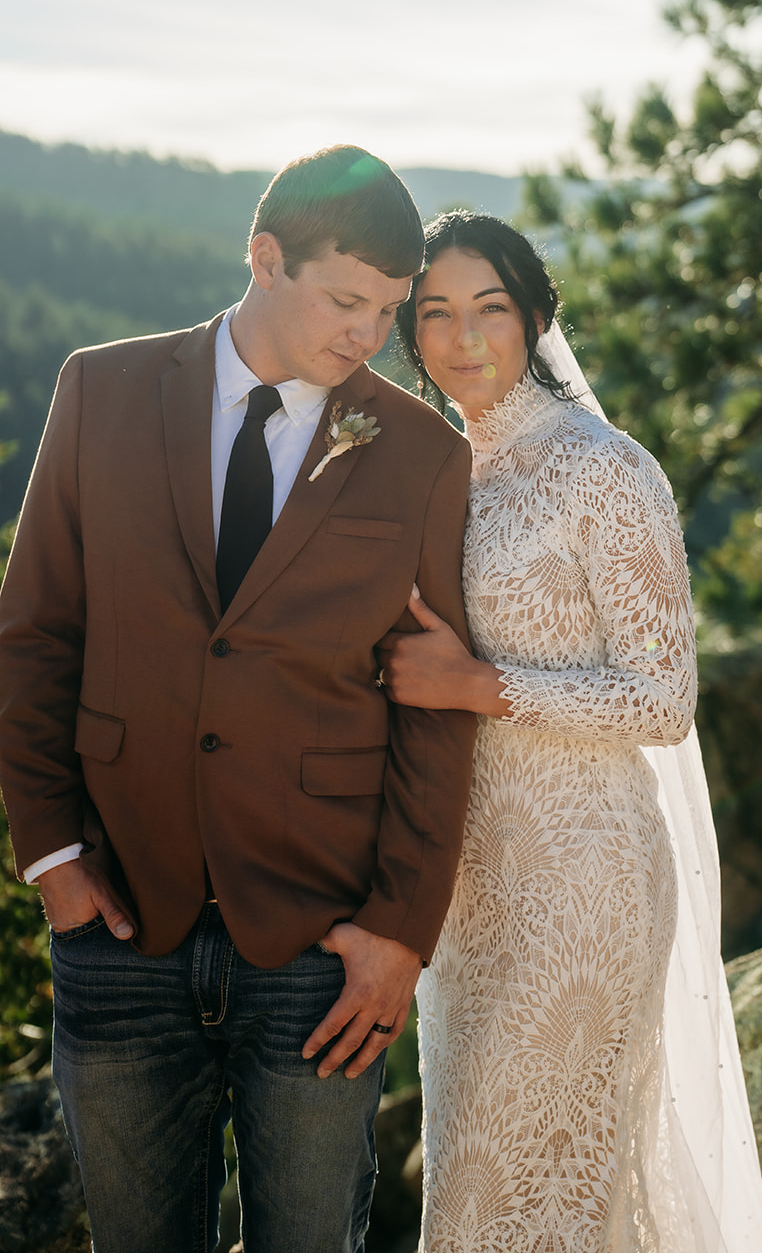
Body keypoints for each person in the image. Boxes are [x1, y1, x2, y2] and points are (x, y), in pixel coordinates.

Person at [0, 145, 478, 1253]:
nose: (368, 337)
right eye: (345, 299)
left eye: (386, 311)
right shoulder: (99, 387)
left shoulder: (416, 449)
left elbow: (433, 706)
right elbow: (34, 637)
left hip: (322, 941)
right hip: (118, 915)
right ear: (264, 258)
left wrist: (400, 930)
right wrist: (55, 862)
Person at [380, 211, 762, 1253]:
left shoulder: (605, 469)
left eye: (489, 309)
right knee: (469, 1188)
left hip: (586, 883)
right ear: (408, 332)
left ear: (537, 317)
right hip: (468, 897)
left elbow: (661, 700)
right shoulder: (430, 472)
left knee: (534, 1192)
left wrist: (478, 683)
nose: (463, 337)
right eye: (435, 313)